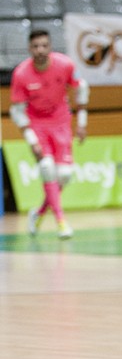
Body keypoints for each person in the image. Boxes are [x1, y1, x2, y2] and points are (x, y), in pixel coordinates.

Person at [9, 29, 89, 240]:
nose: (40, 50)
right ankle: (61, 222)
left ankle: (39, 213)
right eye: (36, 46)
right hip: (37, 125)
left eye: (44, 45)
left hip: (62, 122)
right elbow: (17, 111)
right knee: (46, 168)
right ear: (29, 49)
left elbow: (81, 88)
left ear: (50, 47)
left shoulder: (65, 65)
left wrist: (82, 123)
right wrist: (31, 139)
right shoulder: (21, 74)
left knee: (63, 175)